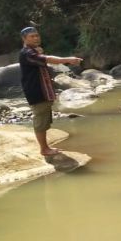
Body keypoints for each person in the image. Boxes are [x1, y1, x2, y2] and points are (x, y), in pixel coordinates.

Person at [17, 27, 82, 156]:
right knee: (41, 120)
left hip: (43, 91)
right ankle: (44, 149)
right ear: (24, 39)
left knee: (45, 119)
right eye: (32, 36)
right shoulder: (27, 53)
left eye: (37, 36)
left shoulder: (33, 52)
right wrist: (67, 59)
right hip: (36, 92)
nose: (36, 38)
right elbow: (47, 59)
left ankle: (46, 147)